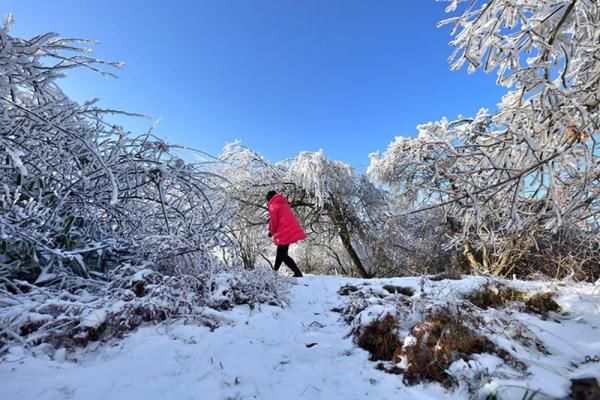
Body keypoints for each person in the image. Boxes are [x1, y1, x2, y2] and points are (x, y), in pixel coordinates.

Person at [266, 190, 306, 277]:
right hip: (288, 229)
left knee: (283, 255)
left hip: (284, 230)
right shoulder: (283, 204)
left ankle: (297, 273)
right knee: (280, 253)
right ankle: (274, 271)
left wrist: (271, 232)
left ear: (269, 198)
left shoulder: (273, 205)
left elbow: (274, 222)